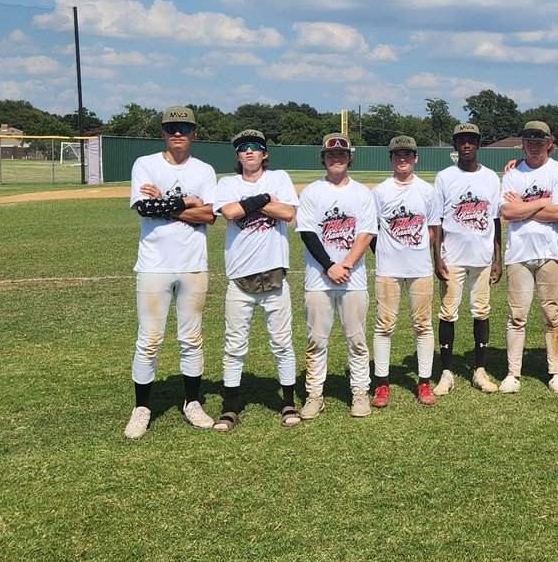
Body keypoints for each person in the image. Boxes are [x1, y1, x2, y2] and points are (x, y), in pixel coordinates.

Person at [124, 105, 217, 439]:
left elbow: (210, 217)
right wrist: (188, 202)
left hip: (193, 266)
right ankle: (141, 408)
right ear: (163, 132)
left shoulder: (204, 170)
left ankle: (192, 403)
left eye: (184, 128)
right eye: (171, 128)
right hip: (154, 266)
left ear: (194, 133)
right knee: (148, 340)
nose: (178, 133)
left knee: (191, 339)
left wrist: (167, 203)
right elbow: (145, 208)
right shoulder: (145, 164)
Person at [211, 130, 300, 431]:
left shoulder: (280, 178)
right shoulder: (227, 183)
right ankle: (230, 407)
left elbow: (287, 212)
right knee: (234, 345)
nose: (249, 152)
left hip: (274, 274)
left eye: (255, 148)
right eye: (243, 148)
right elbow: (230, 212)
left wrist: (248, 204)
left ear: (264, 154)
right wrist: (264, 199)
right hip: (239, 277)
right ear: (237, 155)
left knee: (282, 343)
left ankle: (288, 402)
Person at [297, 133, 377, 420]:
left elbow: (366, 233)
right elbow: (307, 232)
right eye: (331, 155)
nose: (336, 158)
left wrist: (345, 265)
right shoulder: (311, 192)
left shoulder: (362, 193)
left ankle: (359, 392)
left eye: (342, 154)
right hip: (318, 278)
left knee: (356, 340)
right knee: (316, 340)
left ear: (350, 158)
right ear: (323, 158)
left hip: (353, 279)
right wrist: (329, 265)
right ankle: (314, 394)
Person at [499, 120, 558, 394]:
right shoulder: (513, 173)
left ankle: (555, 372)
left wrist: (525, 206)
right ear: (522, 144)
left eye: (539, 142)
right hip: (518, 253)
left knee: (551, 314)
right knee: (517, 315)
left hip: (551, 252)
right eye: (529, 141)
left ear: (549, 144)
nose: (534, 147)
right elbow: (507, 212)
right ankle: (512, 373)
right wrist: (543, 202)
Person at [431, 122, 503, 395]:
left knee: (481, 311)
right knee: (448, 312)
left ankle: (479, 371)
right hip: (452, 258)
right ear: (455, 145)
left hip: (482, 258)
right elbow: (436, 221)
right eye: (462, 140)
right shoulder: (445, 177)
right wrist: (437, 257)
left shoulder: (490, 177)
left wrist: (498, 258)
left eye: (471, 140)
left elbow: (495, 221)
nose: (467, 145)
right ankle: (447, 372)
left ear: (478, 144)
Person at [370, 135, 442, 407]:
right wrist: (388, 252)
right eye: (397, 154)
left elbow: (433, 230)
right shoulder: (379, 192)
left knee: (422, 325)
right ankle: (382, 384)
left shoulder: (427, 190)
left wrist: (416, 250)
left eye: (407, 154)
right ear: (390, 159)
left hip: (420, 269)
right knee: (384, 325)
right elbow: (371, 231)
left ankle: (424, 382)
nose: (403, 158)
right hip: (387, 269)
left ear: (415, 158)